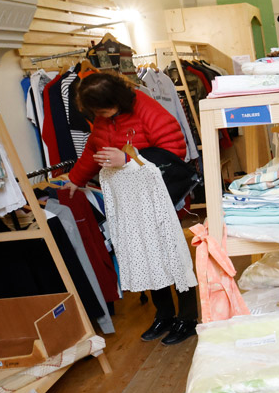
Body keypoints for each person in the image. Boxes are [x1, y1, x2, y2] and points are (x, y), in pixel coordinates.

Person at [61, 73, 198, 346]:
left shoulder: (146, 109)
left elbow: (174, 151)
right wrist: (75, 179)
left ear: (117, 100)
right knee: (145, 255)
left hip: (159, 196)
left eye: (103, 111)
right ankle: (164, 314)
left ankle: (188, 318)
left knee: (171, 255)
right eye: (97, 112)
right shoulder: (103, 117)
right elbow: (93, 150)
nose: (100, 116)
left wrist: (127, 158)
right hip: (130, 200)